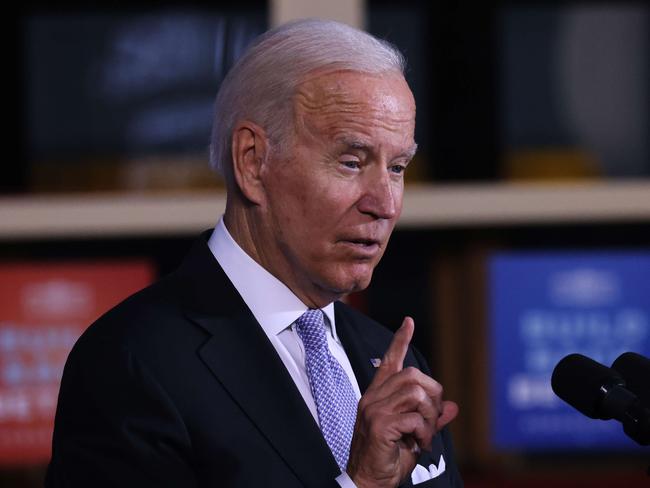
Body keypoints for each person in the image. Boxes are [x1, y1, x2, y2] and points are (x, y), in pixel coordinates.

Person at [46, 19, 462, 488]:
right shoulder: (131, 364)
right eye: (352, 162)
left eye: (398, 167)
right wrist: (361, 483)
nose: (384, 204)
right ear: (252, 161)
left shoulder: (392, 361)